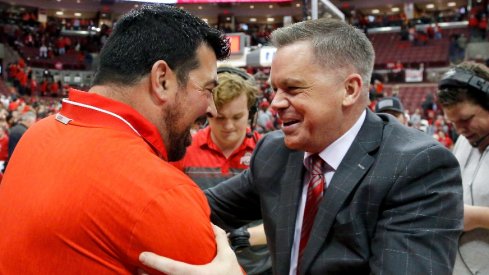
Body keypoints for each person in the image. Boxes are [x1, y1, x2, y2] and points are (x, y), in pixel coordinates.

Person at [140, 18, 463, 274]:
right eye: (275, 89)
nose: (275, 103)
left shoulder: (418, 167)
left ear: (349, 89)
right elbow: (198, 209)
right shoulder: (275, 152)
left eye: (293, 88)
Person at [0, 4, 231, 273]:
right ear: (162, 80)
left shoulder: (36, 134)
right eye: (207, 89)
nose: (213, 109)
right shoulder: (159, 191)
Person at [173, 69, 271, 274]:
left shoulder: (269, 153)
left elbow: (286, 217)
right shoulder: (183, 151)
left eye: (237, 117)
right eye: (220, 118)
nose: (229, 126)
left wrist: (241, 236)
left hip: (260, 268)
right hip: (204, 265)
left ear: (251, 113)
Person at [437, 61, 489, 275]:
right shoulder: (464, 141)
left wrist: (475, 217)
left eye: (466, 119)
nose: (460, 130)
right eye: (453, 123)